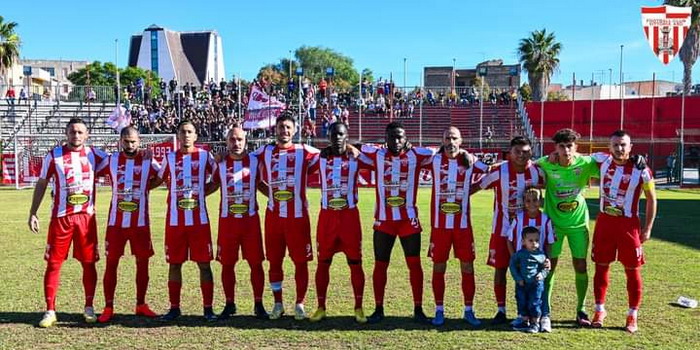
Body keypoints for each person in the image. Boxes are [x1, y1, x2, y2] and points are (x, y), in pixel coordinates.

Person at [28, 118, 108, 328]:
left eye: (80, 132)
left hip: (86, 218)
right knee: (54, 263)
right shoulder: (54, 156)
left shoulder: (96, 155)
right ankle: (50, 310)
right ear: (66, 133)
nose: (76, 136)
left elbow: (120, 162)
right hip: (61, 218)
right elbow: (43, 182)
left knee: (88, 263)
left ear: (87, 135)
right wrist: (33, 212)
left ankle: (89, 307)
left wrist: (141, 154)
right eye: (73, 132)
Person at [357, 121, 436, 324]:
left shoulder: (415, 155)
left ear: (406, 138)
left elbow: (435, 151)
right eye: (392, 136)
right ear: (386, 138)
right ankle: (378, 308)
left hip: (408, 220)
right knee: (380, 265)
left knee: (414, 265)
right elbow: (358, 147)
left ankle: (418, 309)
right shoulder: (377, 154)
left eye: (400, 137)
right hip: (384, 220)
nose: (396, 140)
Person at [253, 114, 320, 320]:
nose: (285, 131)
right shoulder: (265, 151)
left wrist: (353, 148)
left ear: (295, 130)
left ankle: (299, 303)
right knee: (274, 261)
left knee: (301, 262)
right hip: (274, 218)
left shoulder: (305, 151)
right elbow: (243, 161)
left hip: (298, 218)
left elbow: (332, 154)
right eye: (281, 127)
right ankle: (278, 303)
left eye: (288, 127)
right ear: (276, 129)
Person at [151, 120, 219, 322]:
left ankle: (208, 309)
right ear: (178, 136)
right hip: (175, 222)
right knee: (174, 264)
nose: (186, 135)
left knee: (204, 265)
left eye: (190, 132)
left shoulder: (205, 156)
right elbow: (158, 179)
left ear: (196, 136)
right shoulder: (170, 157)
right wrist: (139, 189)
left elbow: (217, 178)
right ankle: (174, 308)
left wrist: (203, 193)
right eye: (183, 132)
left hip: (199, 221)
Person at [591, 130, 657, 333]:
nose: (620, 148)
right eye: (616, 145)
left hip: (628, 226)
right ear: (609, 147)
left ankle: (632, 315)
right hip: (604, 223)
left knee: (632, 270)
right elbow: (573, 155)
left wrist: (648, 227)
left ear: (631, 147)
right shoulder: (601, 161)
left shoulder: (642, 170)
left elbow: (652, 199)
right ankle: (600, 310)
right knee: (601, 267)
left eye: (623, 145)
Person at [535, 128, 602, 328]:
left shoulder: (586, 163)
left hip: (578, 224)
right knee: (549, 266)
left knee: (580, 265)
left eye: (569, 146)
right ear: (555, 148)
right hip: (553, 225)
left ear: (575, 147)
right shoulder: (545, 163)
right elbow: (522, 164)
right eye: (561, 146)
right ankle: (544, 310)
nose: (566, 150)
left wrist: (633, 160)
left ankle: (581, 309)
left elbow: (610, 164)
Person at [475, 136, 544, 327]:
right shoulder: (499, 171)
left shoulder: (538, 172)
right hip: (502, 229)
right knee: (500, 269)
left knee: (531, 273)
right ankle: (501, 310)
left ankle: (530, 312)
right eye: (517, 152)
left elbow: (551, 185)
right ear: (510, 153)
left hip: (528, 232)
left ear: (531, 152)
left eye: (526, 151)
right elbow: (477, 186)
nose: (521, 155)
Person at [97, 127, 160, 323]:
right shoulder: (111, 159)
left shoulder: (149, 160)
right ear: (120, 141)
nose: (130, 145)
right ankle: (108, 307)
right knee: (111, 263)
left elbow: (164, 175)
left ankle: (141, 304)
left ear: (139, 141)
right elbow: (91, 172)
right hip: (116, 223)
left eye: (133, 141)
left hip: (140, 223)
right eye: (126, 141)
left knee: (142, 264)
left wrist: (146, 187)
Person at [427, 127, 488, 327]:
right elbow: (408, 153)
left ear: (460, 141)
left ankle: (469, 310)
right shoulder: (433, 160)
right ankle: (439, 310)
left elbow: (490, 170)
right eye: (447, 138)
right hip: (440, 226)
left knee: (467, 266)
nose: (451, 141)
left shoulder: (469, 161)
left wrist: (474, 188)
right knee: (439, 267)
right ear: (442, 140)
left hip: (463, 227)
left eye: (454, 138)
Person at [309, 122, 368, 323]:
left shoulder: (357, 157)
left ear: (347, 136)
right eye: (334, 135)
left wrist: (358, 147)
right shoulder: (320, 158)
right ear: (329, 138)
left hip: (349, 218)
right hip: (327, 218)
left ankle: (358, 307)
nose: (338, 138)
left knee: (355, 263)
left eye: (341, 135)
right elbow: (295, 152)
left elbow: (381, 154)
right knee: (323, 263)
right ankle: (321, 306)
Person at [210, 125, 269, 320]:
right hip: (227, 223)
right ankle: (229, 304)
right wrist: (195, 194)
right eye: (232, 140)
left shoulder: (255, 162)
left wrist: (279, 198)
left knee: (256, 264)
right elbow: (213, 184)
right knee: (227, 264)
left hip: (250, 222)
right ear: (226, 142)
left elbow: (261, 184)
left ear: (246, 141)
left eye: (240, 140)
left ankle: (259, 304)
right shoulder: (219, 163)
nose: (236, 143)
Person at [505, 187, 556, 330]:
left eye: (535, 200)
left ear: (541, 201)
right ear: (524, 202)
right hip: (522, 265)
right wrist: (514, 258)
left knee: (539, 292)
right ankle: (523, 318)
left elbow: (550, 241)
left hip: (538, 265)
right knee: (521, 292)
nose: (532, 203)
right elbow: (509, 239)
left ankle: (543, 317)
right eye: (528, 201)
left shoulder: (545, 219)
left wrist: (548, 259)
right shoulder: (518, 218)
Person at [509, 226, 550, 333]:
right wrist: (518, 279)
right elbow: (512, 266)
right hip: (522, 284)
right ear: (523, 241)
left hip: (536, 285)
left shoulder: (541, 255)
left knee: (534, 303)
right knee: (521, 301)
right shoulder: (519, 254)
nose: (534, 243)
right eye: (530, 241)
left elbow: (546, 268)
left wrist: (542, 275)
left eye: (536, 240)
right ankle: (524, 321)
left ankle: (535, 323)